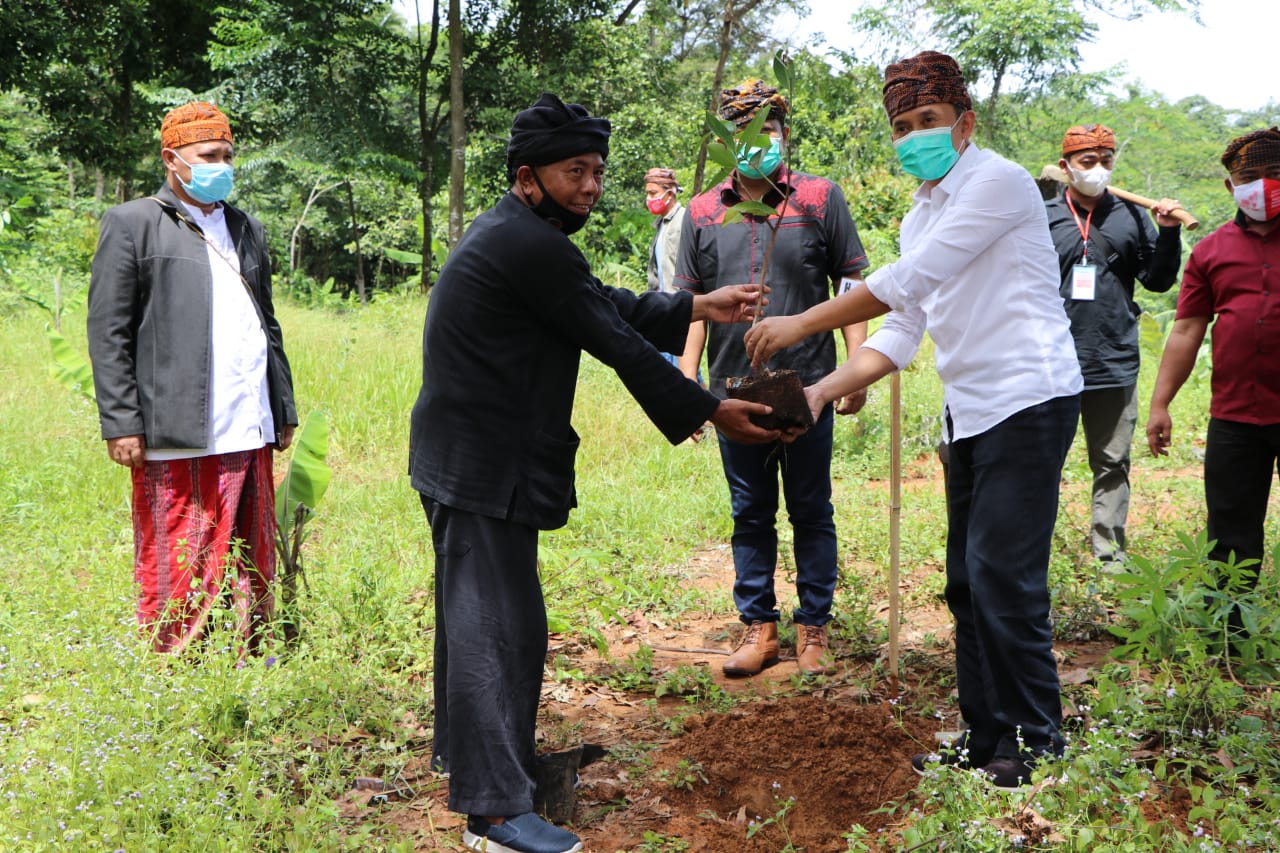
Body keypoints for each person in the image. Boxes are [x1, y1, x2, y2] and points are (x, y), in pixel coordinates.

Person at [408, 92, 780, 853]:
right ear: (527, 177)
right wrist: (712, 409)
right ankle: (494, 812)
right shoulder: (530, 246)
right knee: (496, 629)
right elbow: (614, 340)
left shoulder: (520, 233)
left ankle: (484, 766)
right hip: (480, 462)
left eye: (598, 171)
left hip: (473, 456)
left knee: (492, 621)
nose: (591, 186)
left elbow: (597, 303)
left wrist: (696, 305)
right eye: (574, 171)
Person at [744, 51, 1082, 788]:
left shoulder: (997, 182)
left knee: (1003, 575)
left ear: (965, 122)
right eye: (901, 126)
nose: (913, 136)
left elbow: (908, 279)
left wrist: (802, 322)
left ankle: (1038, 744)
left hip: (1029, 397)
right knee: (965, 581)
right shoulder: (920, 213)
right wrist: (820, 391)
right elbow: (902, 326)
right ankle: (986, 737)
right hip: (971, 411)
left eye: (928, 119)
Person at [675, 78, 871, 678]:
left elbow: (851, 287)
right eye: (743, 131)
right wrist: (686, 383)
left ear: (785, 134)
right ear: (726, 139)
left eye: (769, 129)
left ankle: (814, 629)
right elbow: (691, 307)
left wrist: (854, 369)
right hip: (732, 391)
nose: (757, 141)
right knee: (749, 511)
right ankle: (758, 628)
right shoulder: (702, 212)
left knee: (811, 507)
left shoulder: (819, 198)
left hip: (808, 385)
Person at [87, 101, 296, 656]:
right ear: (172, 159)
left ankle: (250, 654)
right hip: (177, 425)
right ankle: (177, 662)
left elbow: (267, 323)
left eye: (227, 154)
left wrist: (282, 406)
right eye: (208, 155)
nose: (221, 165)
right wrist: (121, 422)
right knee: (180, 551)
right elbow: (108, 331)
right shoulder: (134, 223)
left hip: (248, 422)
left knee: (249, 553)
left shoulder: (244, 226)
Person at [1147, 127, 1280, 639]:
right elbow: (1185, 330)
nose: (1262, 185)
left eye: (1275, 174)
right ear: (1230, 187)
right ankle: (1229, 634)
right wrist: (1160, 404)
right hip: (1235, 416)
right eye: (1249, 178)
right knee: (1230, 529)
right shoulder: (1210, 251)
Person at [1046, 123, 1184, 565]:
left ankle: (1109, 559)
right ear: (1066, 167)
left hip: (1113, 358)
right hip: (1049, 362)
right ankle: (1032, 556)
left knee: (1112, 462)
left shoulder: (1131, 215)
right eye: (1088, 162)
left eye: (1106, 161)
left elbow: (1158, 281)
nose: (1098, 169)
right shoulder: (1044, 217)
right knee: (1039, 463)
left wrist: (1168, 233)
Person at [644, 167, 693, 373]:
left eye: (653, 193)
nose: (649, 199)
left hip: (679, 307)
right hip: (664, 308)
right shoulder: (661, 224)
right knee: (667, 369)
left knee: (683, 371)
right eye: (647, 194)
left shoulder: (683, 220)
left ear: (670, 193)